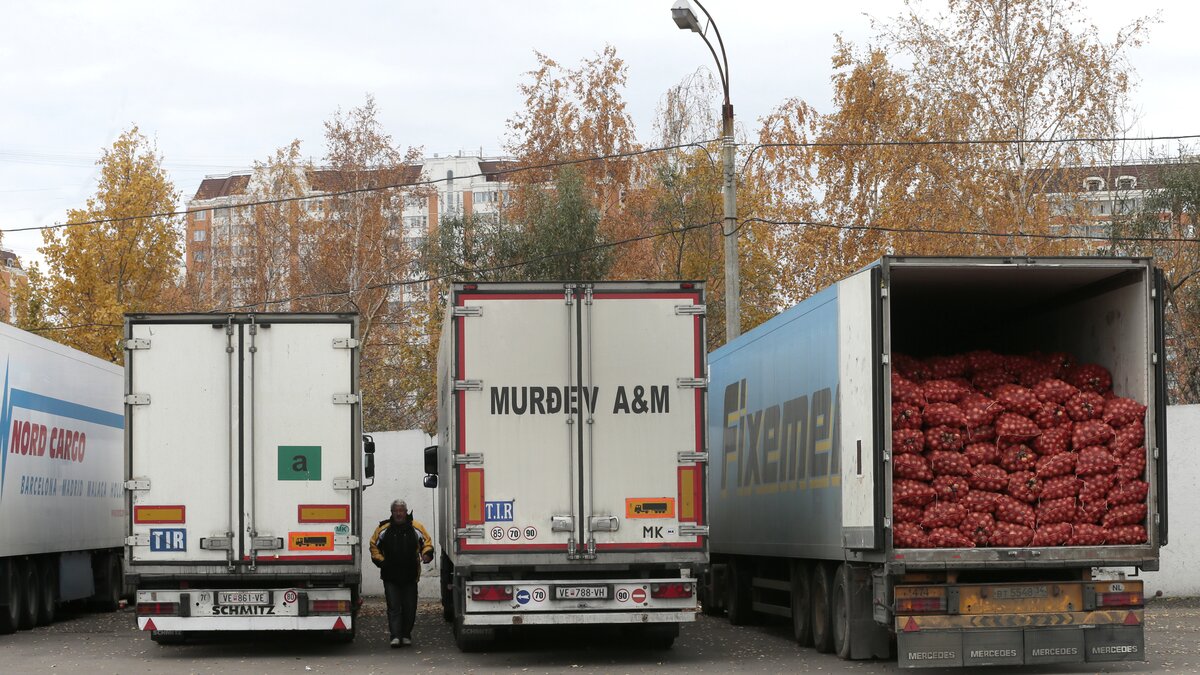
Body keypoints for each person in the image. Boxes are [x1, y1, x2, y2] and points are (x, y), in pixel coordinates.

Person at [369, 499, 434, 648]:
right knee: (393, 607)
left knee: (410, 607)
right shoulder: (383, 529)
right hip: (390, 576)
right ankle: (395, 636)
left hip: (411, 575)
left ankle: (406, 635)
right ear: (391, 512)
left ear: (406, 512)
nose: (399, 513)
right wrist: (382, 562)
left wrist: (427, 554)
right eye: (396, 511)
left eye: (401, 510)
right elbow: (373, 546)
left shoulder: (416, 527)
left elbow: (427, 543)